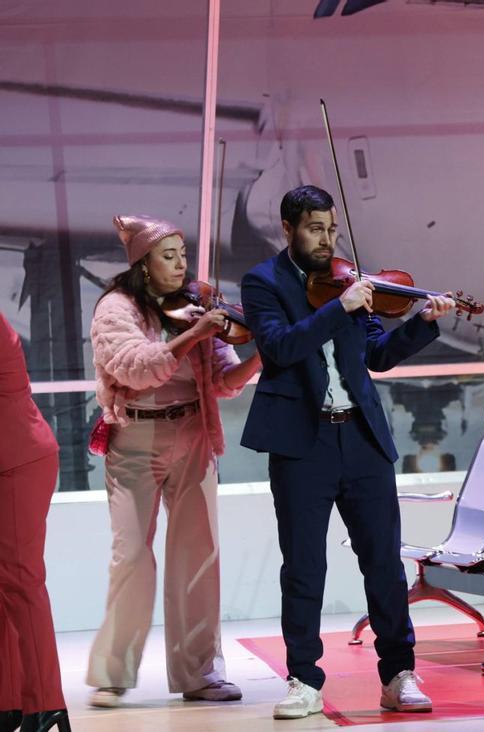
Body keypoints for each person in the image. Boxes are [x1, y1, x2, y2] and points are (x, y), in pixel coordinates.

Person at [240, 185, 455, 719]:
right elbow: (281, 347)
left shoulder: (349, 280)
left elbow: (378, 355)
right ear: (288, 229)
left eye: (331, 228)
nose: (327, 239)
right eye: (315, 228)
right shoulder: (262, 282)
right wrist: (340, 307)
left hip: (361, 438)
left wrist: (422, 326)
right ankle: (304, 680)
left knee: (383, 563)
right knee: (304, 567)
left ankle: (398, 673)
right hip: (301, 444)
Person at [87, 215, 261, 708]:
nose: (181, 264)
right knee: (132, 557)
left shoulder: (199, 304)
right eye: (169, 256)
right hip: (135, 437)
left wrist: (261, 356)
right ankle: (113, 673)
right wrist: (191, 334)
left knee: (198, 557)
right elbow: (137, 368)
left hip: (192, 433)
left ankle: (200, 672)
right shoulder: (114, 309)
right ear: (142, 264)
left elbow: (224, 381)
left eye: (183, 254)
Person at [0, 313, 70, 732]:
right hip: (11, 456)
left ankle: (46, 703)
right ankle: (9, 704)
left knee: (21, 580)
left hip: (18, 459)